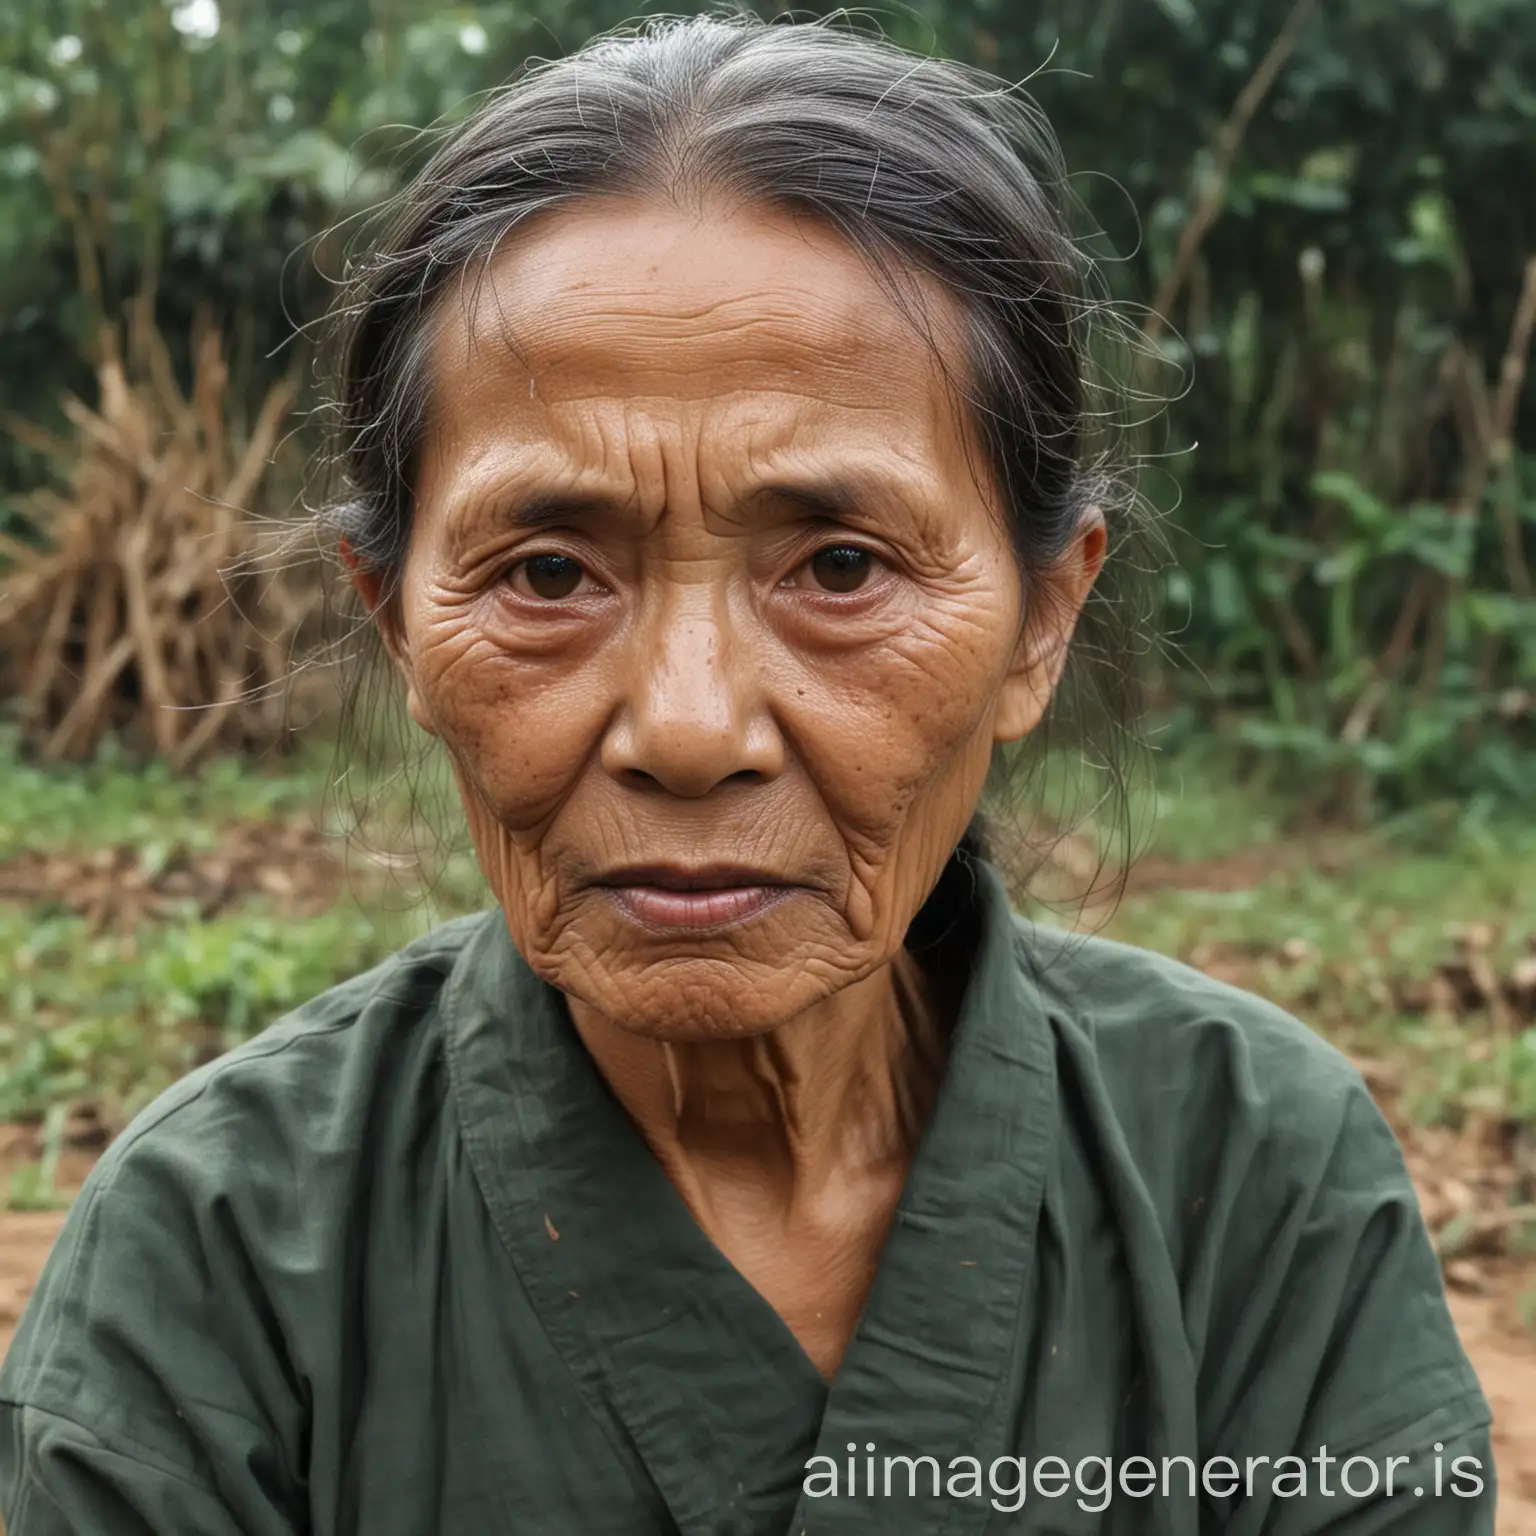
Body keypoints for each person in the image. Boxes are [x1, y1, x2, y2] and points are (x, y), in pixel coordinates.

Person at [0, 16, 1493, 1534]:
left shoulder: (1250, 1189)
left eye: (841, 565)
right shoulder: (219, 1262)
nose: (692, 727)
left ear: (1044, 620)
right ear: (397, 626)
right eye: (548, 573)